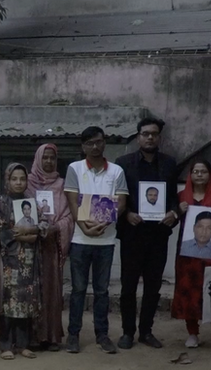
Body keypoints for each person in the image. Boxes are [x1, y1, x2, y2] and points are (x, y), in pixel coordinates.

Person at [115, 117, 179, 349]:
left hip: (158, 235)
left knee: (153, 287)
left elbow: (174, 196)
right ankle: (127, 332)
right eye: (145, 133)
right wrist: (126, 214)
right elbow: (117, 196)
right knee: (128, 286)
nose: (149, 137)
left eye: (154, 133)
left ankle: (146, 331)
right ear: (138, 136)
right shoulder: (123, 164)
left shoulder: (170, 164)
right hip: (132, 234)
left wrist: (174, 212)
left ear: (159, 137)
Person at [64, 127, 128, 354]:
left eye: (99, 142)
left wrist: (103, 224)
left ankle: (102, 334)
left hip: (106, 239)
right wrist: (83, 226)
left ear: (104, 143)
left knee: (102, 291)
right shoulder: (75, 168)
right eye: (90, 143)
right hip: (80, 240)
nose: (95, 146)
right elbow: (72, 200)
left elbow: (121, 203)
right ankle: (73, 335)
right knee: (78, 290)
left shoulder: (117, 171)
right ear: (83, 146)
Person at [171, 160, 211, 351]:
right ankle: (192, 333)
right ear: (190, 175)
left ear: (210, 174)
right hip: (187, 258)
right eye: (195, 171)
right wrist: (177, 211)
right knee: (189, 294)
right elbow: (171, 223)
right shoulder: (181, 196)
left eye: (203, 171)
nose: (199, 175)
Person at [27, 143, 73, 352]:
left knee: (51, 290)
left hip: (51, 247)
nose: (48, 161)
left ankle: (52, 336)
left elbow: (68, 216)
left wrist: (56, 227)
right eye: (44, 157)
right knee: (32, 289)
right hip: (29, 245)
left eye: (52, 158)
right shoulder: (26, 183)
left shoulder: (62, 184)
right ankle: (33, 336)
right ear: (38, 158)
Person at [0, 163, 43, 360]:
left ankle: (23, 344)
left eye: (22, 179)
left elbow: (42, 225)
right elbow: (0, 230)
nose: (18, 182)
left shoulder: (31, 203)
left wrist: (33, 232)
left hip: (29, 260)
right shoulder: (1, 203)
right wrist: (26, 237)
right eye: (14, 179)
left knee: (26, 300)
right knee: (8, 301)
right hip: (9, 260)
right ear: (7, 180)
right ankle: (6, 344)